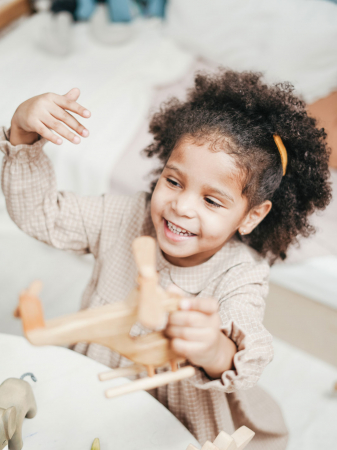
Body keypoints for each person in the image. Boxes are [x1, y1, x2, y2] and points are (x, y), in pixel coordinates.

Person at [1, 70, 331, 449]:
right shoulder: (124, 217)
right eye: (174, 182)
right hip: (95, 377)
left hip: (179, 415)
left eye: (211, 200)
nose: (181, 206)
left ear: (251, 216)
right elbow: (40, 214)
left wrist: (213, 348)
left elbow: (248, 350)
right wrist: (23, 135)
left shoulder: (240, 272)